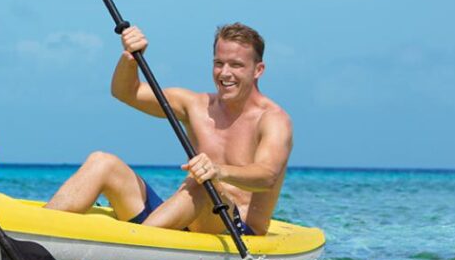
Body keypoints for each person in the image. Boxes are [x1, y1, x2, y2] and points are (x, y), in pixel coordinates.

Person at [44, 23, 292, 236]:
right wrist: (131, 57)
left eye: (236, 65)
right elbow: (126, 92)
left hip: (234, 230)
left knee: (204, 184)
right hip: (180, 223)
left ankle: (135, 245)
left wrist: (217, 171)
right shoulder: (196, 105)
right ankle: (41, 234)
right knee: (102, 162)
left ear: (258, 70)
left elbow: (267, 176)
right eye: (219, 63)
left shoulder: (273, 120)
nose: (225, 73)